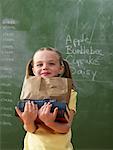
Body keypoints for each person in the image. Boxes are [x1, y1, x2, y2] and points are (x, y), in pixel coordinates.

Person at [15, 47, 77, 150]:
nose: (45, 67)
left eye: (51, 64)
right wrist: (28, 121)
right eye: (39, 64)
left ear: (61, 68)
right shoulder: (29, 91)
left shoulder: (70, 93)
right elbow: (31, 129)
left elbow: (65, 128)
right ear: (33, 70)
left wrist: (49, 122)